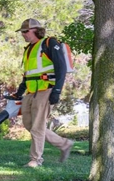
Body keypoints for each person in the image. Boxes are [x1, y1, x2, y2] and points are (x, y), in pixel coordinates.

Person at [8, 18, 74, 167]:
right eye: (22, 32)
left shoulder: (49, 43)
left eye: (25, 31)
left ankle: (35, 160)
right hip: (31, 92)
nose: (23, 34)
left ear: (36, 30)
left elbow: (61, 68)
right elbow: (28, 74)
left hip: (45, 90)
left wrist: (56, 90)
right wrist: (19, 92)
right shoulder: (28, 49)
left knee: (37, 126)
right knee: (29, 124)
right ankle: (64, 144)